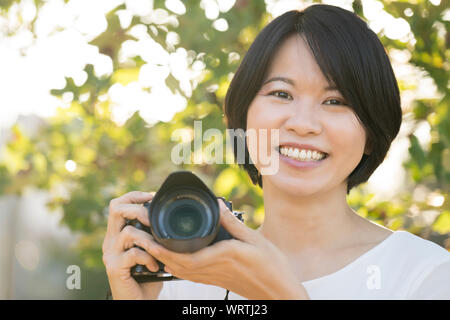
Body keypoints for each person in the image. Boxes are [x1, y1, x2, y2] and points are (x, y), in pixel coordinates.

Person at [102, 4, 450, 300]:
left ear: (371, 133)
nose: (303, 123)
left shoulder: (423, 276)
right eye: (282, 94)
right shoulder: (185, 281)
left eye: (336, 101)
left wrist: (278, 293)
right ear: (244, 117)